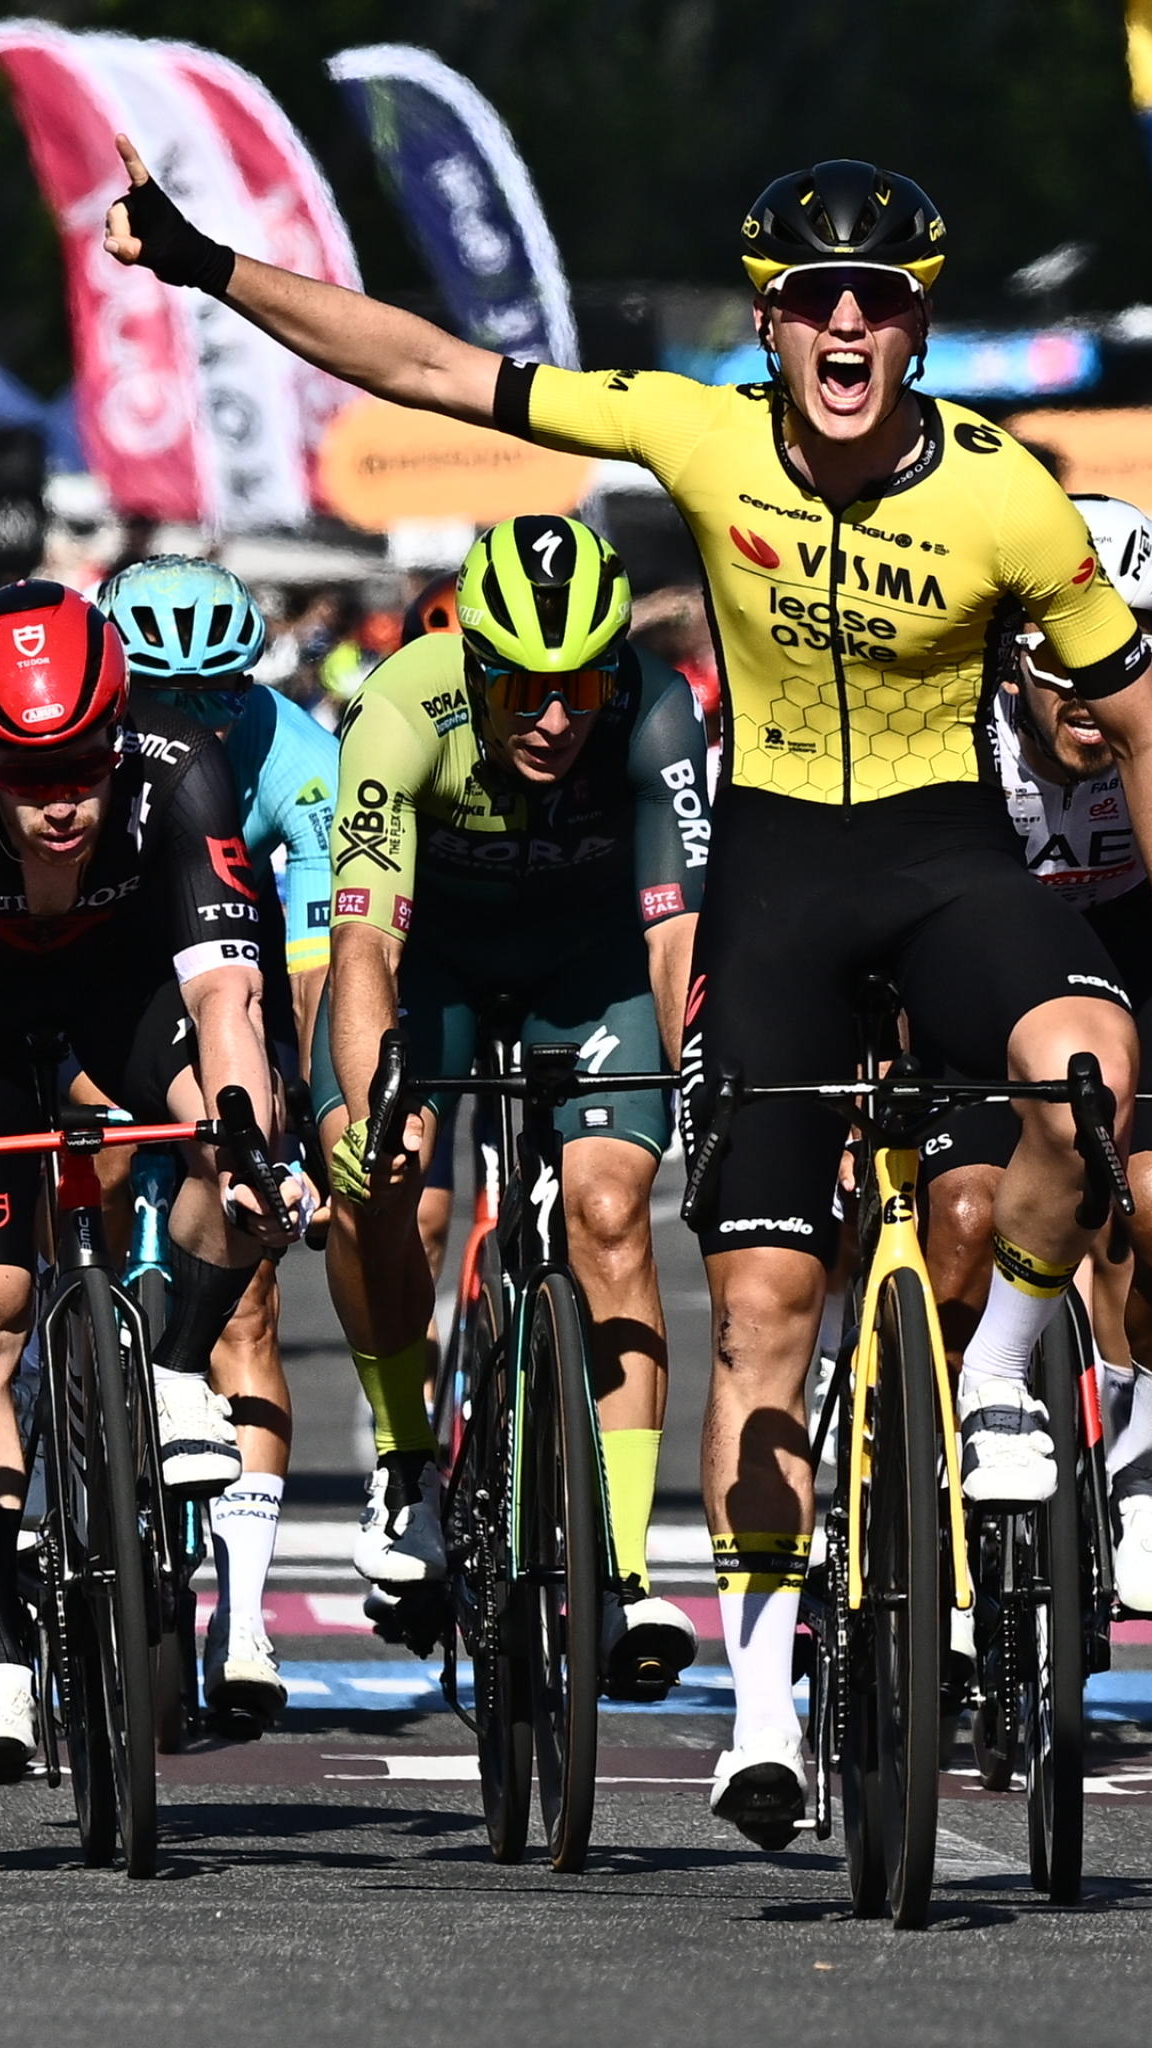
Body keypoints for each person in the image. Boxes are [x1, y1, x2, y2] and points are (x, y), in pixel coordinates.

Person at [103, 150, 1152, 1846]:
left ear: (918, 324)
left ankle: (1003, 1377)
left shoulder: (1013, 495)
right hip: (779, 880)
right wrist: (211, 265)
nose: (844, 325)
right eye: (812, 300)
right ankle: (768, 1702)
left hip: (948, 861)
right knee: (769, 1307)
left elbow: (1147, 733)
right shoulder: (699, 432)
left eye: (876, 301)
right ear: (771, 322)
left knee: (1082, 1071)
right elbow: (434, 367)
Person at [0, 579, 310, 1780]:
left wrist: (257, 1151)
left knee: (229, 1135)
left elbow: (225, 994)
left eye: (82, 772)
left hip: (124, 985)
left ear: (117, 734)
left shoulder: (180, 760)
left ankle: (167, 1362)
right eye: (27, 777)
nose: (60, 804)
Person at [309, 516, 705, 1707]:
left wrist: (705, 1080)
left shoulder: (654, 708)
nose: (553, 717)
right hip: (425, 964)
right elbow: (366, 935)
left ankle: (625, 1561)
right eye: (523, 689)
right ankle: (404, 1456)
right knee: (391, 1186)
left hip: (585, 968)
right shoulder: (400, 709)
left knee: (610, 1210)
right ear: (473, 665)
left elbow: (681, 931)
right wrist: (379, 1094)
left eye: (578, 684)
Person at [923, 496, 1152, 1618]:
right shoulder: (950, 709)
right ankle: (918, 1484)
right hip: (977, 949)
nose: (1088, 686)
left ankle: (1150, 1470)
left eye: (1123, 654)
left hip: (1145, 941)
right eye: (1056, 660)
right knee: (963, 1227)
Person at [97, 553, 336, 1727]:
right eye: (163, 694)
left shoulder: (297, 750)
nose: (193, 718)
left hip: (235, 959)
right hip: (100, 963)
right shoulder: (81, 746)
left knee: (249, 1266)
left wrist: (320, 1115)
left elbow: (321, 959)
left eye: (217, 693)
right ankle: (74, 1348)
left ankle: (242, 1617)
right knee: (79, 1164)